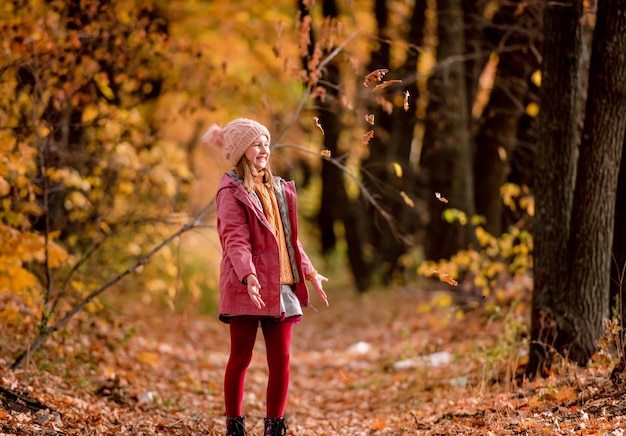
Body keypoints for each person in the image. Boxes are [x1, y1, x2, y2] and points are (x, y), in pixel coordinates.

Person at [203, 118, 330, 436]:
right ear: (239, 150)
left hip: (281, 285)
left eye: (266, 143)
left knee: (281, 360)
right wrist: (247, 275)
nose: (264, 149)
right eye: (257, 143)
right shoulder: (231, 190)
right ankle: (234, 426)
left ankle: (275, 428)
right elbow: (234, 238)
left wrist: (310, 271)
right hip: (246, 286)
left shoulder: (278, 188)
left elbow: (289, 239)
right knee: (241, 358)